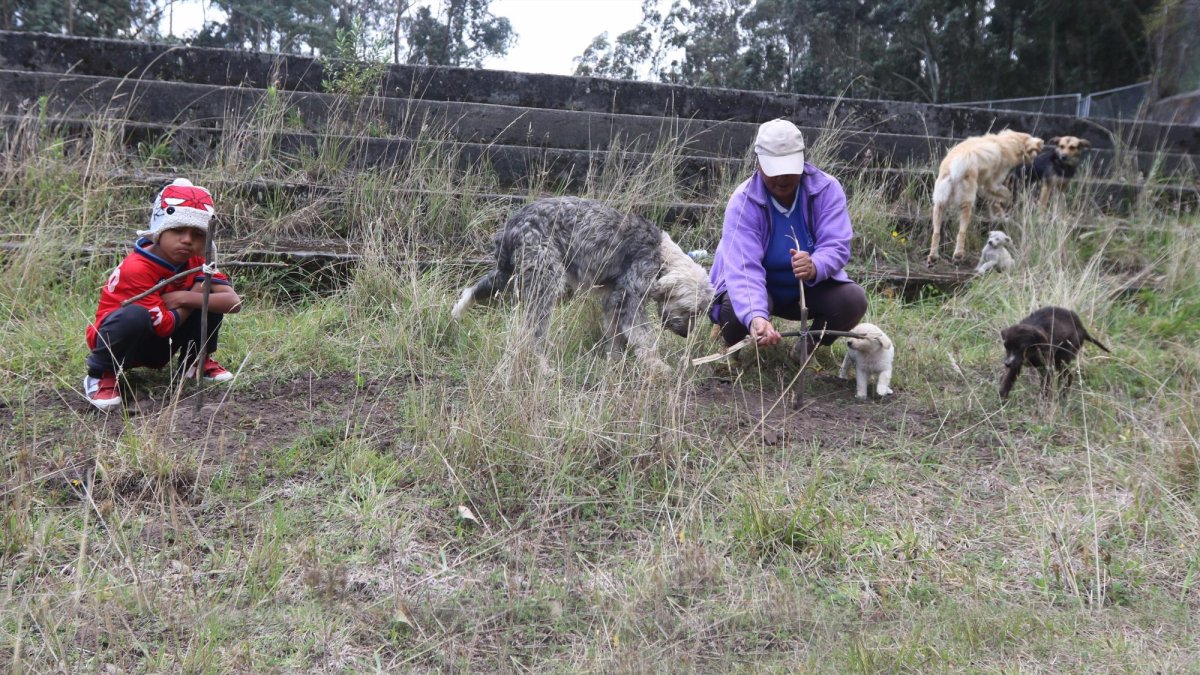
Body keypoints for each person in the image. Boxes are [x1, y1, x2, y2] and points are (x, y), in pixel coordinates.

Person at [708, 118, 868, 360]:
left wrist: (816, 264)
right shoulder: (742, 202)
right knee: (734, 310)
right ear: (759, 162)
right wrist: (756, 316)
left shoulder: (826, 189)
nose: (782, 178)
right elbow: (743, 268)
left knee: (852, 301)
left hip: (808, 288)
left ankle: (807, 346)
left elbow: (837, 244)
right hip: (761, 286)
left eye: (789, 169)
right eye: (774, 169)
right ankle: (734, 346)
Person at [83, 178, 242, 411]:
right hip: (122, 342)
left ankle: (194, 361)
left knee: (208, 301)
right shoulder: (137, 267)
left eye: (197, 234)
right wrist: (197, 292)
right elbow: (164, 326)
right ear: (159, 231)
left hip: (161, 337)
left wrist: (185, 296)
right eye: (177, 230)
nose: (187, 240)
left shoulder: (198, 259)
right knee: (134, 315)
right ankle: (101, 374)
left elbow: (233, 302)